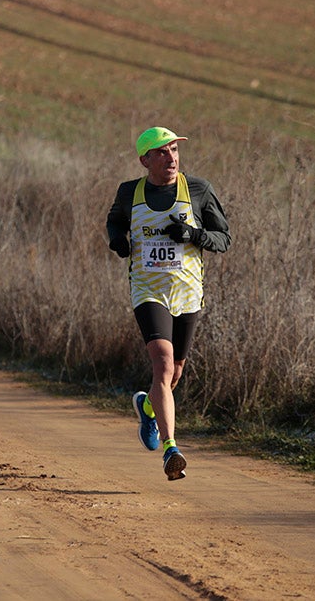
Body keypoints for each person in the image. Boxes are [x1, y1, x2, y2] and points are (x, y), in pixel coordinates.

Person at [106, 126, 231, 481]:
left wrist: (193, 235)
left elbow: (224, 238)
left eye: (174, 150)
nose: (171, 158)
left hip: (188, 292)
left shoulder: (199, 190)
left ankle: (147, 407)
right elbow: (114, 221)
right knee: (162, 365)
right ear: (145, 160)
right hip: (147, 289)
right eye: (161, 152)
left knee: (175, 373)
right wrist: (119, 241)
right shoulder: (130, 192)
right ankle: (171, 448)